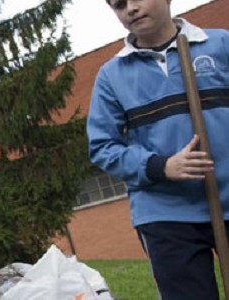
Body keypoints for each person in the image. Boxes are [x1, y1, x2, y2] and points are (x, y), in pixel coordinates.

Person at [87, 0, 229, 298]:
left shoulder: (220, 45)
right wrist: (161, 166)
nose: (130, 9)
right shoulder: (112, 76)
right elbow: (102, 146)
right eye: (118, 5)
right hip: (165, 213)